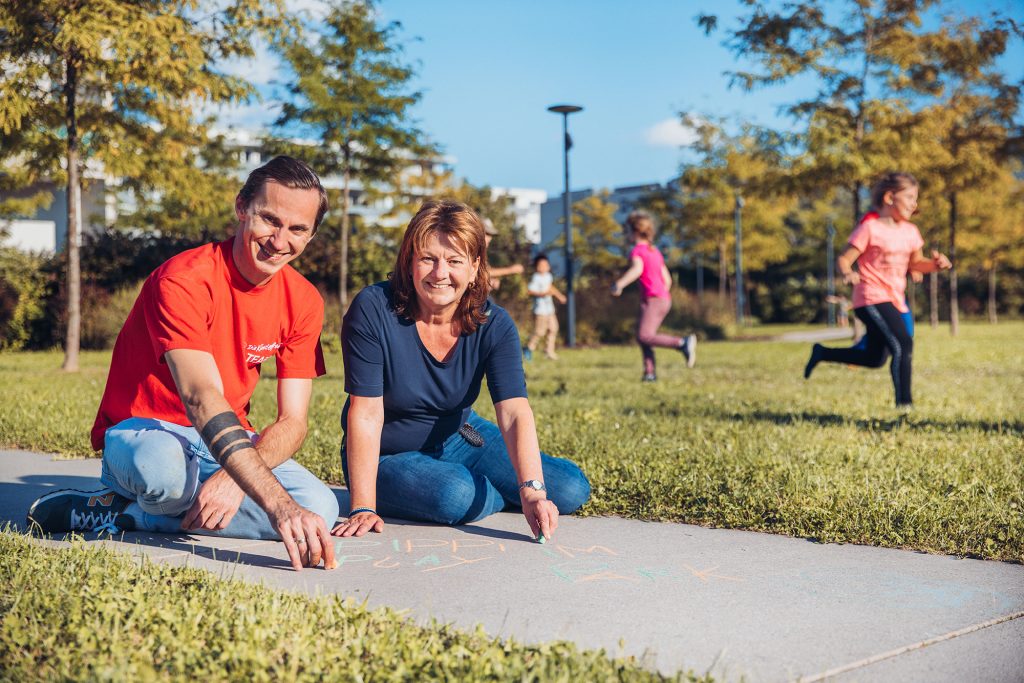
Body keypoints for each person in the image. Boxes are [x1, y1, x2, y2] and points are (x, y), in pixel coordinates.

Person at [26, 156, 339, 571]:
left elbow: (293, 421)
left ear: (312, 234)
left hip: (225, 443)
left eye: (298, 229)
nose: (280, 241)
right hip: (149, 432)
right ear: (241, 208)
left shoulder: (304, 301)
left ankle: (122, 515)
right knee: (164, 474)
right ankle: (139, 496)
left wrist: (232, 479)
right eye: (270, 220)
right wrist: (274, 504)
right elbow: (201, 396)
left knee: (320, 508)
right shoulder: (184, 279)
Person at [333, 200, 590, 542]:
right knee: (454, 495)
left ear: (474, 268)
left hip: (459, 435)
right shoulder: (373, 309)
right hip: (387, 453)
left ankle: (494, 484)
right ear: (410, 261)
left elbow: (514, 411)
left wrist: (531, 492)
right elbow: (365, 414)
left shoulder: (494, 323)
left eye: (454, 261)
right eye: (428, 258)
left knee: (569, 489)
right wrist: (362, 505)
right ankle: (483, 487)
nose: (440, 273)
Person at [804, 172, 951, 407]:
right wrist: (848, 273)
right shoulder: (869, 228)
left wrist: (935, 265)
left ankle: (823, 352)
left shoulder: (911, 231)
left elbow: (916, 263)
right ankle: (905, 405)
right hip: (870, 297)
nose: (915, 204)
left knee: (875, 359)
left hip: (894, 298)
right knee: (903, 344)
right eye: (910, 197)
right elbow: (844, 258)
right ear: (890, 197)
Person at [611, 210, 696, 381]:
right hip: (662, 298)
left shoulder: (638, 251)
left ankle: (682, 343)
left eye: (627, 231)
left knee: (644, 335)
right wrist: (660, 293)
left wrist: (619, 284)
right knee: (645, 336)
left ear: (635, 232)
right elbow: (667, 279)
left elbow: (637, 269)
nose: (626, 235)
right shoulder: (654, 251)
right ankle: (649, 373)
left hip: (653, 299)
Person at [523, 253, 566, 361]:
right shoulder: (536, 278)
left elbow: (551, 287)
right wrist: (542, 294)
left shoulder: (548, 276)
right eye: (541, 265)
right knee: (540, 332)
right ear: (537, 267)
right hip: (540, 310)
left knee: (554, 328)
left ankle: (549, 351)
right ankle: (528, 348)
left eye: (545, 265)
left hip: (549, 309)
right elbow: (530, 291)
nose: (543, 267)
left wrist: (559, 296)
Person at [482, 217, 524, 289]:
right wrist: (511, 270)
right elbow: (482, 274)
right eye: (487, 234)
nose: (490, 238)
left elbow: (484, 274)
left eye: (491, 235)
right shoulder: (472, 251)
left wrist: (492, 281)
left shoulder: (482, 253)